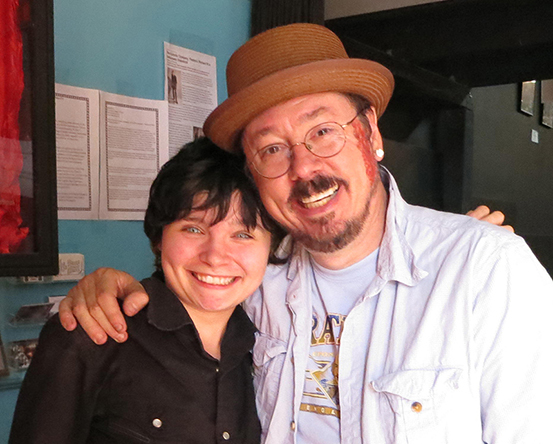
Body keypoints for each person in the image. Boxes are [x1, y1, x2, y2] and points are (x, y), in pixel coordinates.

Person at [60, 24, 553, 443]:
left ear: (371, 133)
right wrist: (108, 287)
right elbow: (184, 287)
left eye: (322, 132)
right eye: (272, 149)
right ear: (253, 173)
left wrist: (476, 248)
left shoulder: (484, 273)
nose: (303, 169)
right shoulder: (253, 280)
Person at [9, 137, 285, 443]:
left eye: (243, 235)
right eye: (193, 228)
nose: (215, 256)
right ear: (159, 237)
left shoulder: (264, 348)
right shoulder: (91, 334)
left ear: (270, 247)